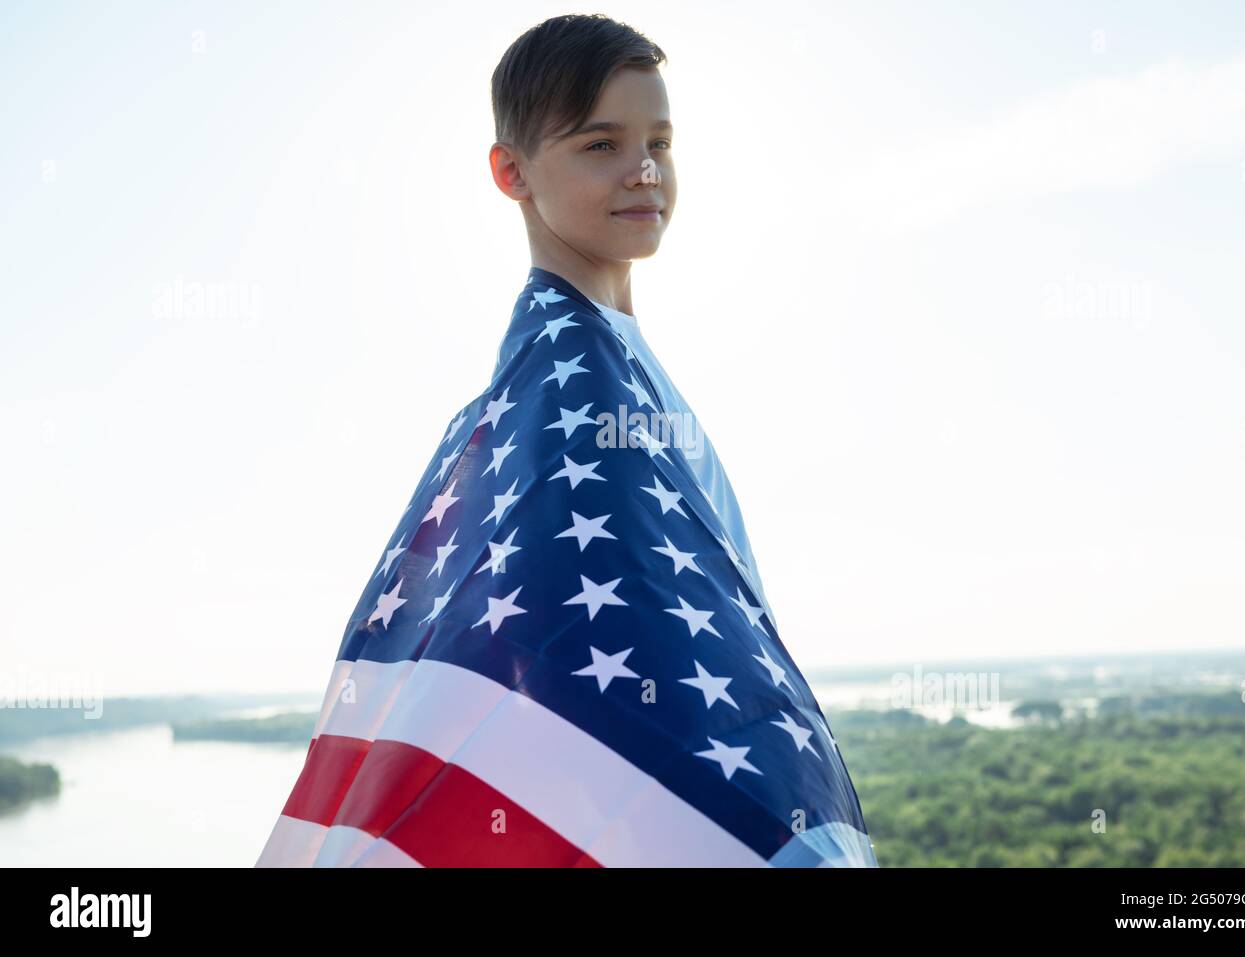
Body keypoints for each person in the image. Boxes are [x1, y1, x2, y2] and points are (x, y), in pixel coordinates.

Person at [256, 13, 877, 868]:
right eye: (600, 145)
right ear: (510, 172)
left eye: (660, 139)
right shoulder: (569, 390)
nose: (645, 169)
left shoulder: (620, 367)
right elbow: (580, 680)